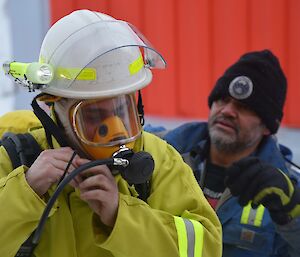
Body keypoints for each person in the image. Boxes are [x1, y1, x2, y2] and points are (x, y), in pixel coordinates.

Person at [0, 10, 222, 257]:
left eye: (122, 110)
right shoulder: (15, 160)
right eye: (93, 115)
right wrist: (26, 192)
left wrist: (121, 217)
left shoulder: (159, 161)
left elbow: (205, 249)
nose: (116, 129)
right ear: (56, 107)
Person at [146, 50, 300, 257]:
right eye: (223, 100)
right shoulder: (161, 149)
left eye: (243, 107)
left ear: (267, 127)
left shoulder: (284, 191)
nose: (227, 111)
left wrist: (292, 214)